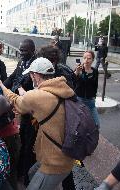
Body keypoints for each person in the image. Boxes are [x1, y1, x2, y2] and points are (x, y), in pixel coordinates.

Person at [0, 57, 75, 190]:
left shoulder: (38, 95)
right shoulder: (63, 89)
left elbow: (15, 100)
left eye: (31, 75)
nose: (31, 78)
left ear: (36, 75)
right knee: (32, 173)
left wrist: (1, 85)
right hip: (66, 155)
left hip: (54, 162)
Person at [37, 45, 77, 190]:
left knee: (62, 157)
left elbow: (69, 97)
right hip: (62, 119)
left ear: (50, 61)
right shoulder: (63, 70)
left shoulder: (61, 73)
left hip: (63, 121)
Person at [3, 39, 37, 186]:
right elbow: (13, 78)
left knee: (29, 143)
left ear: (33, 51)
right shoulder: (22, 62)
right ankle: (21, 171)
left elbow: (22, 82)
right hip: (23, 108)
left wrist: (13, 88)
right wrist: (0, 88)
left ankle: (28, 177)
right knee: (23, 140)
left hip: (32, 110)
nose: (22, 53)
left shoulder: (35, 65)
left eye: (25, 50)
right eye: (21, 50)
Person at [74, 50, 100, 127]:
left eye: (89, 58)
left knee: (96, 124)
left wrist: (94, 96)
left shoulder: (95, 71)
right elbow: (72, 82)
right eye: (84, 58)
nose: (86, 60)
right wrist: (77, 73)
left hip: (90, 101)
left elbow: (95, 85)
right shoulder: (78, 70)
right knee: (79, 124)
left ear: (92, 60)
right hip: (79, 100)